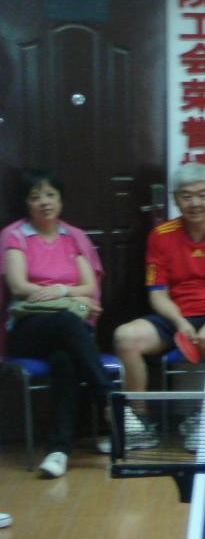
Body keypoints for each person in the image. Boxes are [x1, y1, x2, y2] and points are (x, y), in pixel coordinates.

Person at [112, 163, 205, 449]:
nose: (195, 203)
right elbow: (157, 293)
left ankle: (204, 417)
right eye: (186, 195)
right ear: (175, 199)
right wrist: (180, 323)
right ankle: (140, 421)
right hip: (176, 316)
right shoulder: (161, 235)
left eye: (202, 195)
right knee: (125, 337)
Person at [0, 169, 116, 478]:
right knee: (67, 321)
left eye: (50, 195)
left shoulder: (73, 237)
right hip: (26, 329)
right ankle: (110, 399)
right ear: (26, 203)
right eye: (35, 197)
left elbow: (89, 286)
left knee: (65, 360)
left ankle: (58, 451)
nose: (44, 202)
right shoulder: (15, 235)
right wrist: (71, 298)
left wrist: (62, 291)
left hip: (66, 330)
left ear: (61, 201)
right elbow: (19, 286)